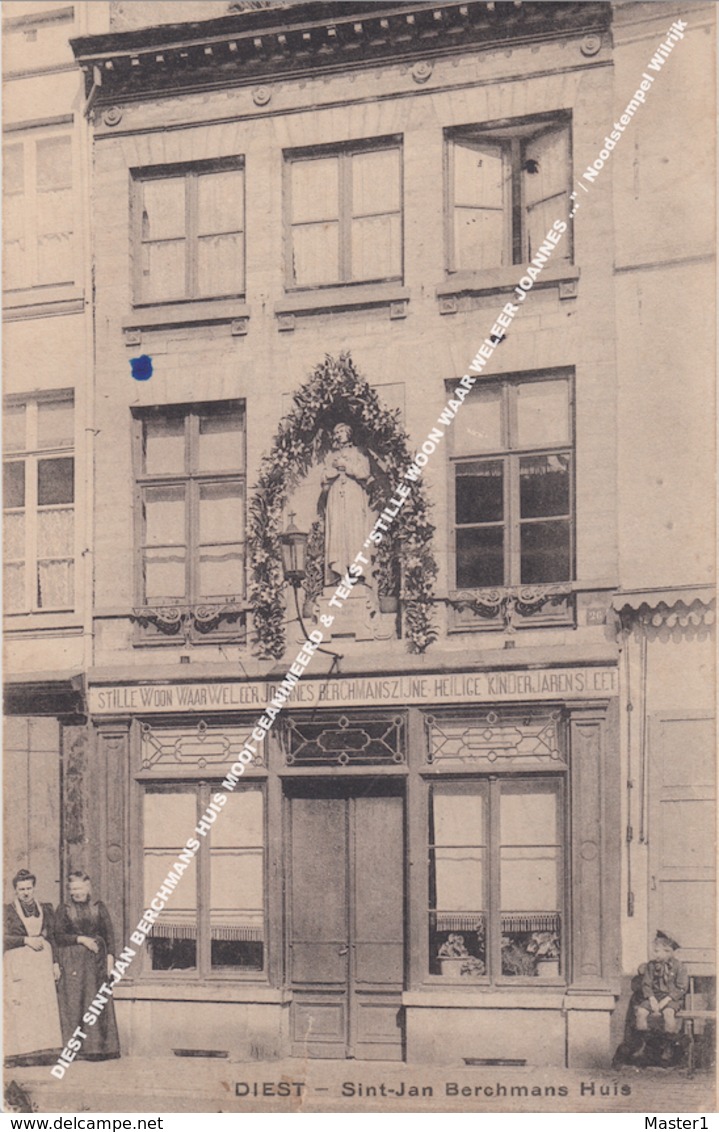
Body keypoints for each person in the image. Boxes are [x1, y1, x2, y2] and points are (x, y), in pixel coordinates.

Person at [55, 871, 120, 1059]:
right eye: (73, 888)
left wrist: (110, 958)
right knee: (76, 1003)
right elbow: (58, 936)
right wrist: (81, 939)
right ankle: (78, 1050)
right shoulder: (64, 909)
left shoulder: (99, 907)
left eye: (80, 888)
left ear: (88, 887)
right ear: (69, 890)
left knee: (95, 1000)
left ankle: (99, 1049)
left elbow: (109, 934)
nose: (77, 892)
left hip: (96, 963)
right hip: (73, 963)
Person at [3, 869, 63, 1066]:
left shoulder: (46, 908)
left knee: (42, 1006)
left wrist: (55, 963)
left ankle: (43, 1053)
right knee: (21, 1008)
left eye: (29, 888)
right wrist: (26, 940)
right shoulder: (7, 911)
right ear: (15, 891)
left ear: (34, 888)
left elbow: (52, 937)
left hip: (41, 964)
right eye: (21, 889)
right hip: (18, 963)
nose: (26, 892)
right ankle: (19, 1055)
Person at [320, 423, 374, 584]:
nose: (339, 435)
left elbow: (365, 472)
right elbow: (323, 476)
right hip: (336, 494)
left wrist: (347, 467)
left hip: (353, 494)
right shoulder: (331, 456)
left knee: (354, 530)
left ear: (349, 433)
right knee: (337, 529)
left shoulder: (358, 452)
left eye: (342, 431)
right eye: (336, 432)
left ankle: (355, 571)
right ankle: (339, 571)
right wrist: (334, 471)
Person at [634, 929, 689, 1065]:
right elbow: (646, 984)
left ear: (668, 951)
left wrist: (667, 999)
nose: (655, 954)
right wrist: (651, 999)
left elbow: (681, 987)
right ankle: (645, 1045)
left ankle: (668, 1046)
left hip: (671, 998)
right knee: (641, 1013)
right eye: (655, 951)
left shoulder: (679, 967)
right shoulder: (651, 966)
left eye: (658, 951)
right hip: (654, 996)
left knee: (668, 1014)